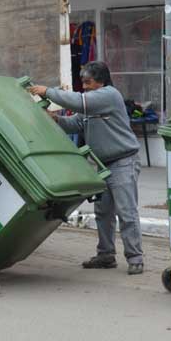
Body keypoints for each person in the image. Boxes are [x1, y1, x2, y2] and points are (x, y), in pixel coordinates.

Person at [28, 61, 145, 274]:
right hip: (102, 164)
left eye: (88, 82)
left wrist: (48, 91)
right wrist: (56, 119)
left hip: (123, 162)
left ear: (101, 81)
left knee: (126, 212)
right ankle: (106, 255)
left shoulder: (108, 95)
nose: (85, 86)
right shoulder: (92, 103)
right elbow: (77, 123)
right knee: (103, 212)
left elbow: (79, 102)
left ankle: (135, 258)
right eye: (83, 82)